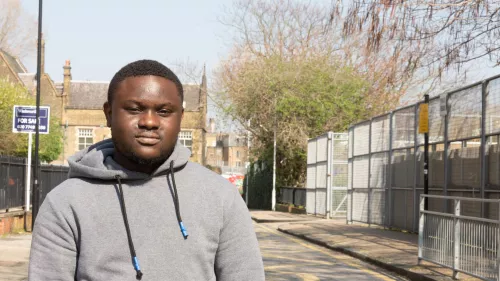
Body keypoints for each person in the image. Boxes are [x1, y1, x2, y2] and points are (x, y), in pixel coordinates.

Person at [28, 60, 265, 281]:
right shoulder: (65, 203)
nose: (149, 122)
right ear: (109, 114)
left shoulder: (221, 197)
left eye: (163, 111)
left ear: (180, 118)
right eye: (134, 109)